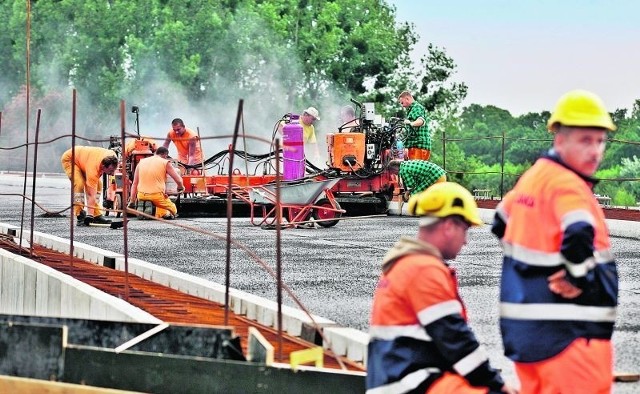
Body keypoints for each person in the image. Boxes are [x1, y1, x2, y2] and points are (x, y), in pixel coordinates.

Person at [491, 89, 618, 394]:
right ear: (560, 140)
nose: (595, 152)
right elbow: (578, 231)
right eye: (586, 140)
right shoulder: (568, 184)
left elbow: (500, 221)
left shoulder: (533, 177)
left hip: (528, 334)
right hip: (570, 336)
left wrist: (534, 268)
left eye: (600, 141)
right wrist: (576, 275)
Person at [367, 182, 518, 394]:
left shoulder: (406, 264)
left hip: (399, 379)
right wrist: (497, 383)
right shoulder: (423, 270)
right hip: (412, 383)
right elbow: (456, 340)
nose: (465, 242)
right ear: (449, 226)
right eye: (465, 231)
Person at [60, 146, 119, 225]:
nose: (112, 174)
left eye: (114, 170)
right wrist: (89, 216)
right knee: (79, 183)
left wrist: (92, 215)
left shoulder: (113, 156)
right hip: (71, 159)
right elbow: (90, 194)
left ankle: (96, 215)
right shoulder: (93, 170)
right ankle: (80, 214)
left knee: (98, 185)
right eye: (111, 171)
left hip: (85, 160)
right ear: (103, 166)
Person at [128, 146, 185, 220]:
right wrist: (180, 187)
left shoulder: (141, 162)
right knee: (172, 208)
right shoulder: (165, 162)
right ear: (165, 155)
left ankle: (145, 208)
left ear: (155, 153)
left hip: (141, 195)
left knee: (159, 204)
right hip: (156, 195)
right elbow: (178, 180)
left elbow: (135, 183)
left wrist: (132, 201)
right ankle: (160, 213)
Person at [398, 90, 431, 160]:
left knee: (415, 170)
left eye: (402, 102)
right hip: (414, 146)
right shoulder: (411, 110)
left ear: (407, 98)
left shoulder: (416, 107)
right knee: (411, 169)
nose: (402, 105)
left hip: (418, 145)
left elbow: (421, 121)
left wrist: (410, 123)